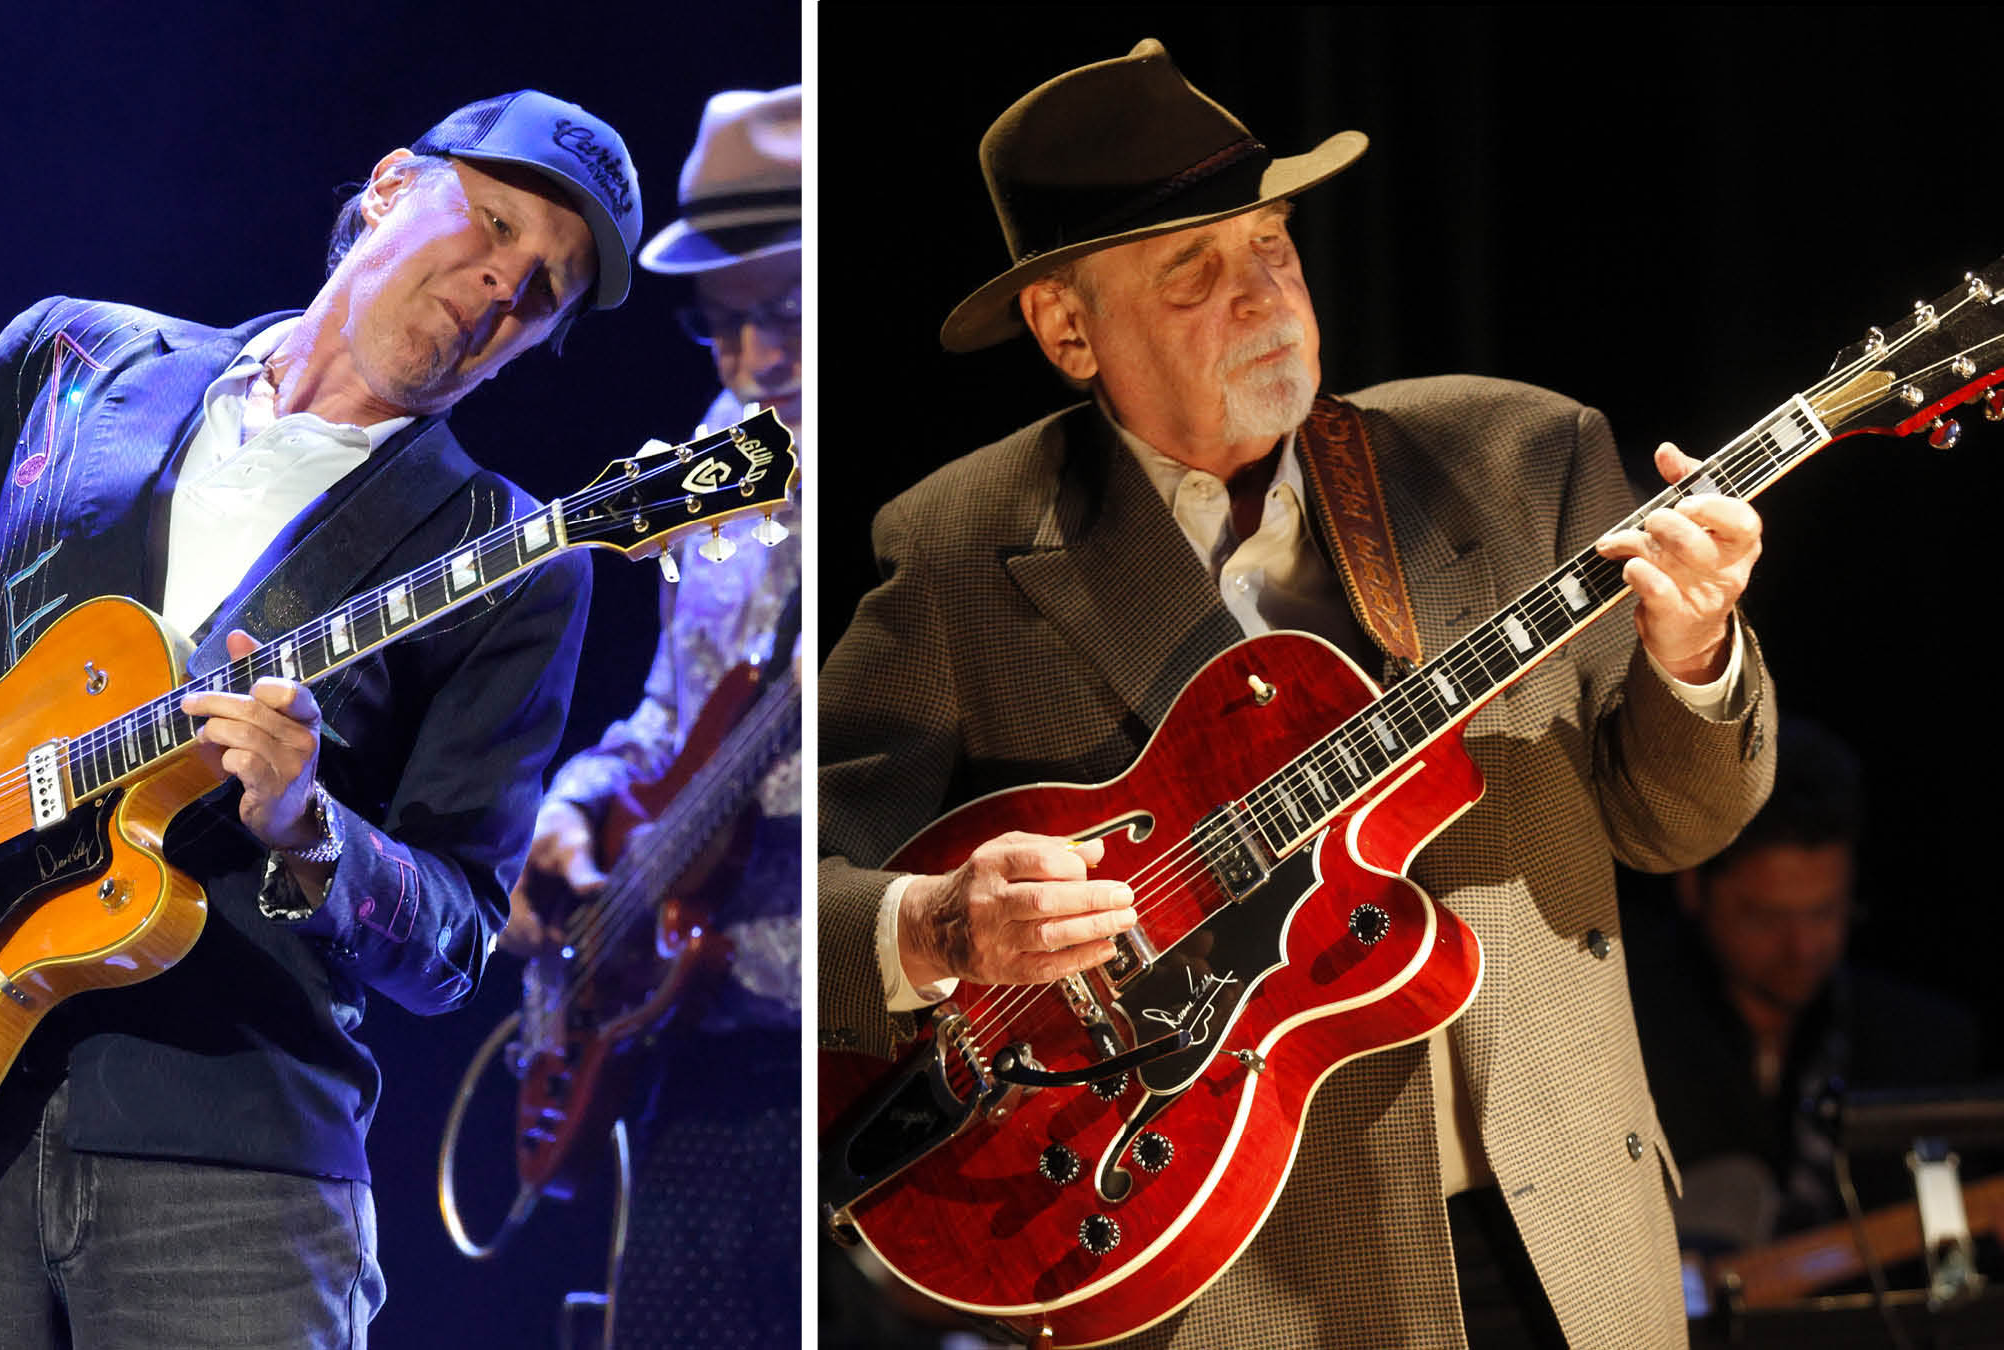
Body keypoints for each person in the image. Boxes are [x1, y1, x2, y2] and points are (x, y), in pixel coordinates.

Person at [817, 40, 1777, 1348]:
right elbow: (772, 889)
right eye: (1193, 271)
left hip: (1570, 1244)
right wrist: (936, 921)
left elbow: (1677, 824)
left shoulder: (1522, 454)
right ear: (1066, 327)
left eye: (1271, 242)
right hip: (1226, 1276)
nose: (1262, 293)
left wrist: (1693, 652)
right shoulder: (956, 549)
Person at [0, 88, 641, 1348]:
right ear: (386, 187)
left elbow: (461, 939)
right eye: (491, 221)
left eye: (547, 289)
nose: (501, 286)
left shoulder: (516, 558)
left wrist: (311, 829)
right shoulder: (75, 362)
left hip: (235, 1171)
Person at [503, 85, 802, 1348]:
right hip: (707, 1045)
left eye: (784, 313)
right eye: (721, 330)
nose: (749, 366)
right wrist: (567, 813)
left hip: (875, 1033)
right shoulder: (724, 445)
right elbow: (672, 713)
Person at [1631, 719, 1979, 1254]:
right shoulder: (1626, 1032)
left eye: (1824, 913)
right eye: (1766, 918)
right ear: (1693, 888)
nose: (1803, 948)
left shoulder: (1926, 1042)